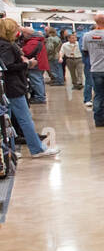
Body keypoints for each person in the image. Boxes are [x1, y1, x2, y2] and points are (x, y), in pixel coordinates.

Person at [0, 18, 60, 159]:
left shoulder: (5, 44)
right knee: (24, 119)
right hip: (13, 87)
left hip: (8, 87)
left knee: (7, 122)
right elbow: (8, 67)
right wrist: (27, 64)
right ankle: (37, 148)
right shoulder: (7, 46)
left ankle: (10, 152)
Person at [19, 28, 48, 104]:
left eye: (23, 33)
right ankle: (41, 96)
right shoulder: (37, 40)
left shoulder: (33, 42)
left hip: (35, 64)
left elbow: (27, 52)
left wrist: (20, 50)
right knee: (39, 80)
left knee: (36, 80)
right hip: (40, 62)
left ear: (27, 34)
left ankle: (40, 97)